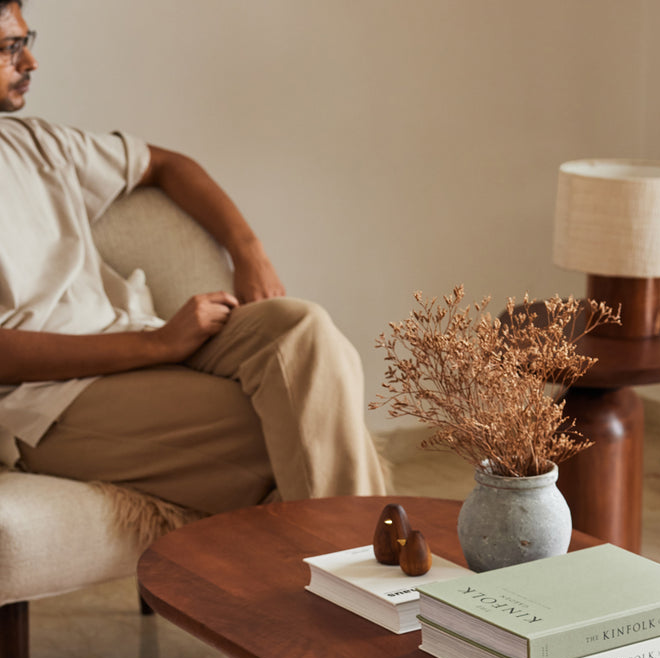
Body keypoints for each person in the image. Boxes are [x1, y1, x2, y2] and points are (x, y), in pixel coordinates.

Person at [0, 1, 387, 518]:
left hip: (133, 340)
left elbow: (168, 165)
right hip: (42, 404)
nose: (30, 63)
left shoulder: (36, 142)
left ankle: (352, 582)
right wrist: (156, 344)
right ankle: (365, 587)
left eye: (27, 42)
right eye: (10, 48)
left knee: (301, 327)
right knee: (308, 424)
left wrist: (249, 253)